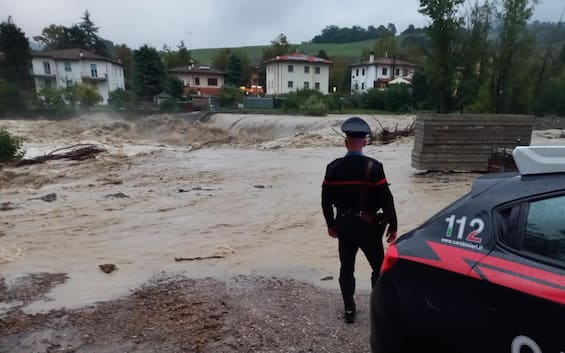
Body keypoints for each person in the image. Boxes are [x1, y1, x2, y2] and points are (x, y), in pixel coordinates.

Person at [321, 116, 398, 324]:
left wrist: (330, 224)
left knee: (346, 268)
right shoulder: (375, 167)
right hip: (369, 228)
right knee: (378, 268)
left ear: (346, 141)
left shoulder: (333, 168)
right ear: (364, 142)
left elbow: (325, 201)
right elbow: (386, 199)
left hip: (344, 226)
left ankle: (349, 310)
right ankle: (378, 308)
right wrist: (393, 225)